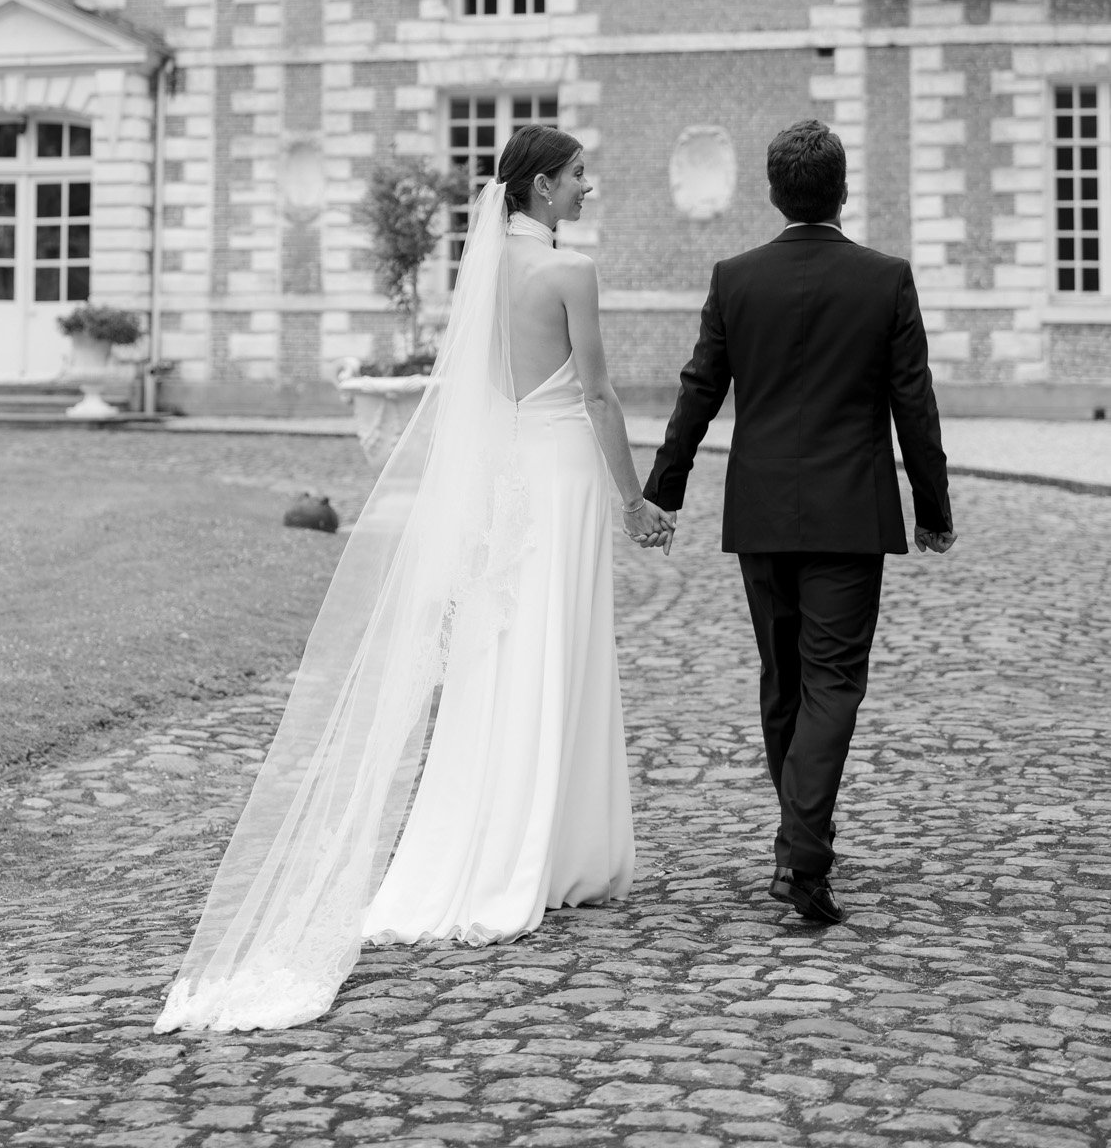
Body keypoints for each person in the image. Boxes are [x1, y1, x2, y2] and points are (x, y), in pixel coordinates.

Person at [155, 125, 673, 1033]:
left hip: (505, 477)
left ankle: (502, 845)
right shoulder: (568, 271)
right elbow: (595, 394)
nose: (590, 187)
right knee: (560, 645)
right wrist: (635, 500)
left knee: (503, 650)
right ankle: (549, 856)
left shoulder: (482, 277)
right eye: (580, 175)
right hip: (557, 476)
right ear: (543, 188)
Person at [645, 118, 955, 925]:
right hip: (849, 513)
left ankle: (797, 845)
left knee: (784, 681)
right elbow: (911, 402)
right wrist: (933, 509)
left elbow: (698, 389)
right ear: (842, 189)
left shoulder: (735, 277)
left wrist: (664, 489)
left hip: (761, 510)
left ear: (773, 193)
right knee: (831, 683)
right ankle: (804, 853)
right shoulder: (885, 279)